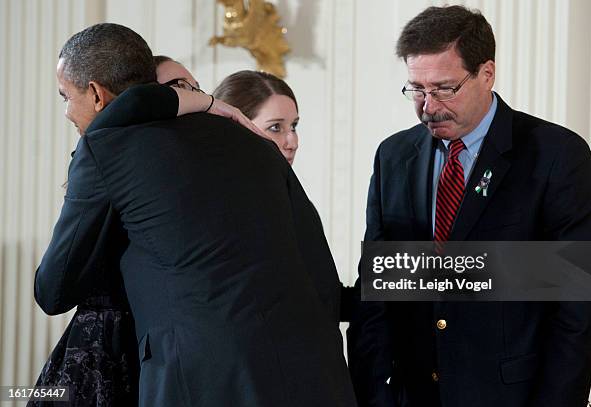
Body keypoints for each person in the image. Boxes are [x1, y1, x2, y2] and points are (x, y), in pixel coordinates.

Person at [35, 22, 357, 406]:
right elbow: (318, 269)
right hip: (313, 373)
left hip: (202, 378)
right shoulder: (253, 141)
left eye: (65, 97)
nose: (69, 112)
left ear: (96, 94)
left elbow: (53, 290)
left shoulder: (105, 147)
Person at [347, 5, 591, 407]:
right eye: (416, 88)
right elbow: (377, 292)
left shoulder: (556, 155)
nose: (428, 106)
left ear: (487, 73)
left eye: (445, 88)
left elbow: (577, 307)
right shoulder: (393, 157)